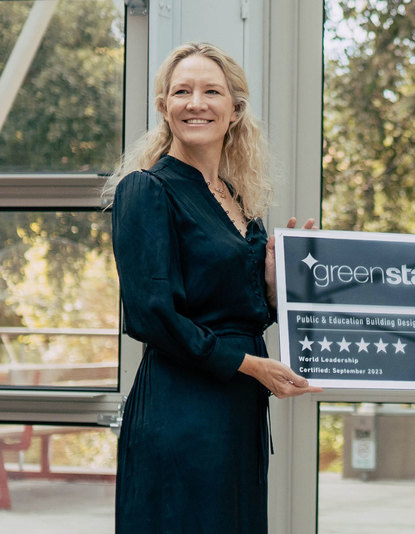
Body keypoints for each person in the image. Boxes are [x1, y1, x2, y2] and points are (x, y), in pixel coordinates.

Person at [106, 42, 322, 533]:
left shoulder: (240, 202)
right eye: (181, 91)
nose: (195, 103)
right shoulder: (146, 189)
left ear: (235, 109)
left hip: (238, 411)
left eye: (211, 91)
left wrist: (272, 286)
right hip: (182, 411)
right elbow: (150, 314)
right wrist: (249, 365)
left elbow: (241, 310)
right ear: (164, 108)